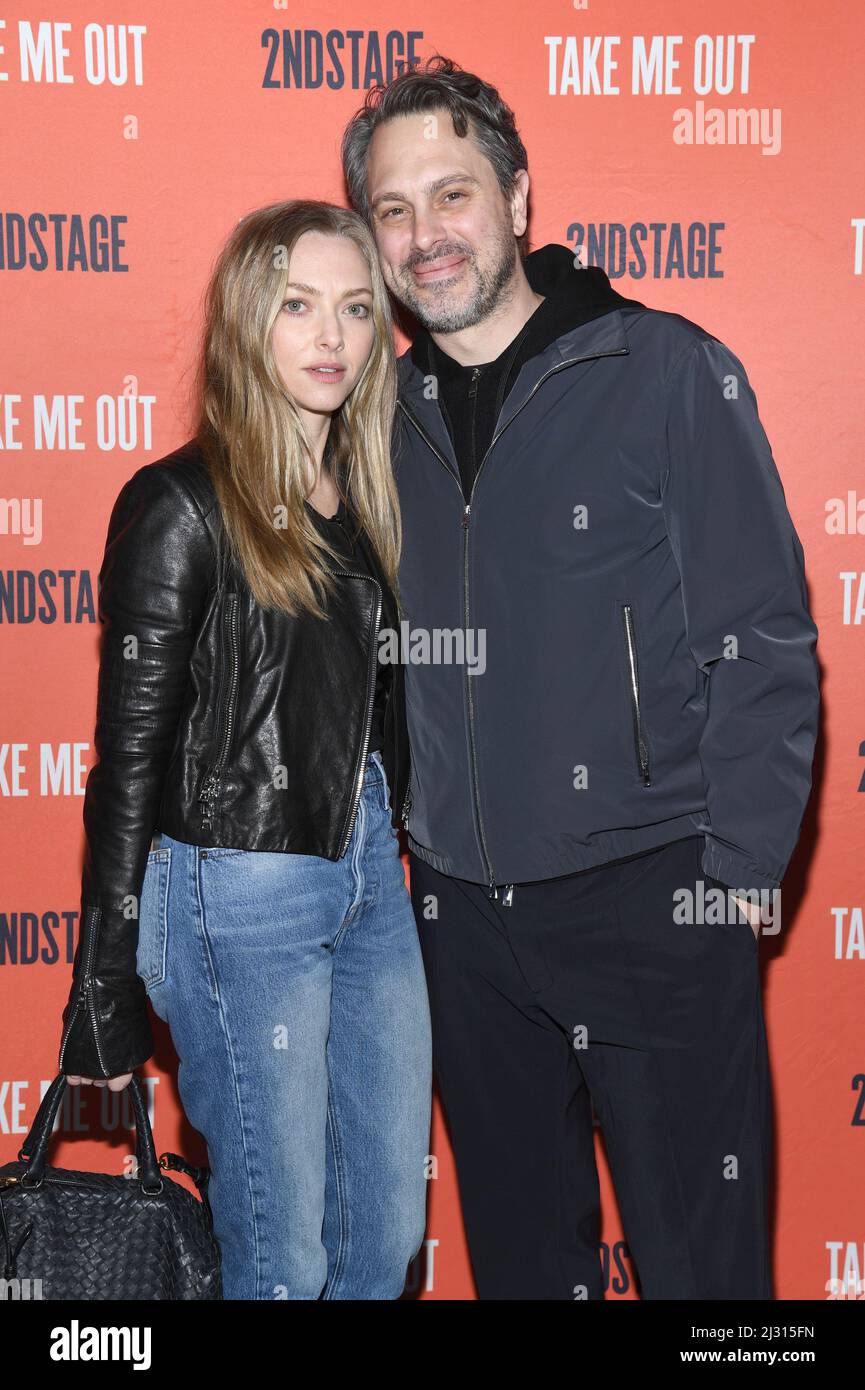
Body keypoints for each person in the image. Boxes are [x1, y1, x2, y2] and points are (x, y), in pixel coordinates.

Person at [340, 56, 820, 1299]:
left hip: (654, 900)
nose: (423, 235)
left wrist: (733, 891)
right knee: (519, 1271)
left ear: (518, 197)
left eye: (451, 195)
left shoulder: (659, 367)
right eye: (392, 210)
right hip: (460, 917)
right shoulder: (380, 410)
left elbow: (760, 635)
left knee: (708, 1281)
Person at [57, 200, 432, 1300]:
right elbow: (125, 758)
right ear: (243, 325)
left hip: (368, 871)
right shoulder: (179, 503)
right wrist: (102, 974)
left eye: (356, 309)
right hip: (237, 886)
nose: (331, 335)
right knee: (282, 1250)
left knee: (383, 1234)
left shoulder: (366, 504)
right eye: (298, 306)